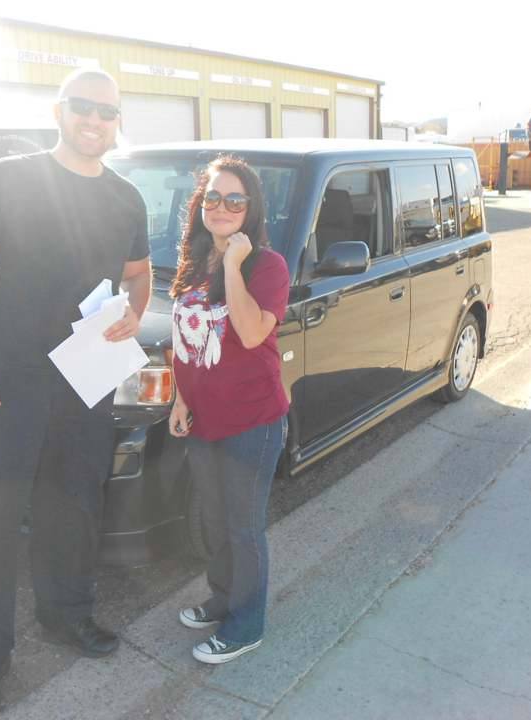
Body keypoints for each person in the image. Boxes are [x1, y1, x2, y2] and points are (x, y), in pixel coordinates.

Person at [0, 68, 151, 720]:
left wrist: (134, 311)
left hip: (87, 380)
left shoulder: (126, 198)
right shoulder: (10, 178)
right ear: (59, 111)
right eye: (83, 106)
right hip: (11, 381)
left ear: (118, 123)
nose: (94, 120)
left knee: (74, 506)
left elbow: (139, 275)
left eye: (106, 111)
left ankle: (65, 615)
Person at [168, 154, 290, 664]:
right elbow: (183, 337)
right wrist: (180, 397)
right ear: (200, 204)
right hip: (203, 419)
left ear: (251, 208)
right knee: (215, 523)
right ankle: (223, 599)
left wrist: (235, 267)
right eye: (212, 197)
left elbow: (251, 332)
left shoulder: (267, 266)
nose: (221, 207)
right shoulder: (195, 261)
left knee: (243, 527)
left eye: (234, 199)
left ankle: (246, 625)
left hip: (252, 422)